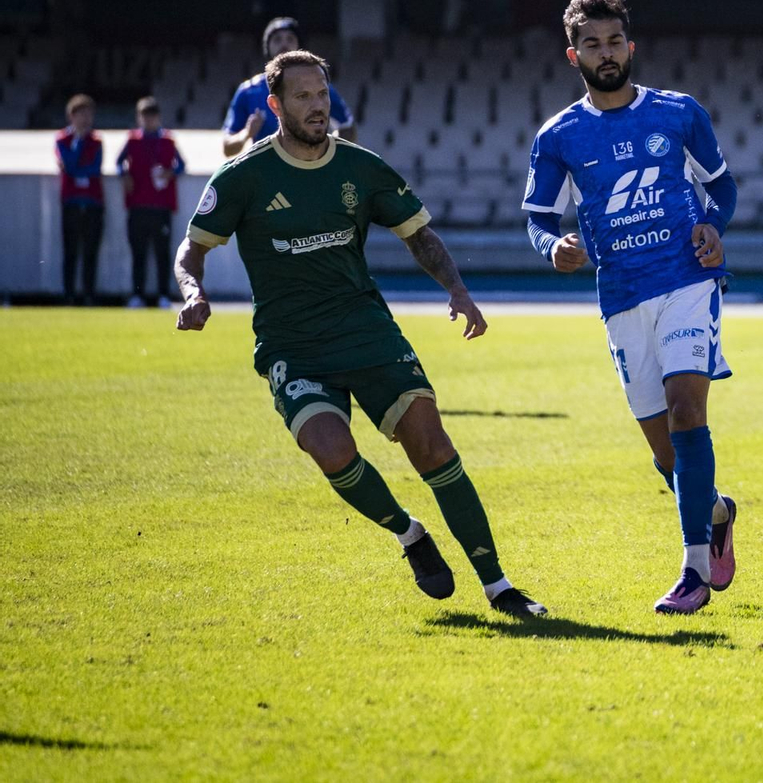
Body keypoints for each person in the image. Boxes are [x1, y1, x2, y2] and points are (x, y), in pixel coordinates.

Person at [174, 50, 545, 617]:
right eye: (302, 96)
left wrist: (459, 292)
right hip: (292, 346)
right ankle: (408, 533)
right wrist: (192, 292)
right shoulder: (243, 177)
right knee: (331, 450)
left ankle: (500, 587)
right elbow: (191, 250)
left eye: (322, 94)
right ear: (275, 105)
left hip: (365, 330)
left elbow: (419, 235)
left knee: (433, 446)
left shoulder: (361, 168)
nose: (317, 105)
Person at [522, 0, 740, 616]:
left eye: (615, 40)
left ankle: (693, 569)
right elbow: (538, 215)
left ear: (631, 45)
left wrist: (713, 226)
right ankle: (717, 511)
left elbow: (722, 189)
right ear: (574, 55)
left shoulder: (678, 114)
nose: (606, 52)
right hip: (620, 296)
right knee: (663, 452)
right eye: (592, 43)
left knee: (684, 409)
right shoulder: (559, 135)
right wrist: (550, 246)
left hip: (686, 282)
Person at [223, 18, 356, 158]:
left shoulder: (318, 86)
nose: (284, 44)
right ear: (267, 46)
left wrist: (325, 155)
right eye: (277, 39)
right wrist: (247, 133)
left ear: (299, 46)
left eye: (290, 39)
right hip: (268, 173)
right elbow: (227, 148)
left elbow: (348, 128)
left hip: (307, 170)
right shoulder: (248, 91)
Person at [117, 96, 186, 308]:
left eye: (152, 116)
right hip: (138, 203)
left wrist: (169, 173)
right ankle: (137, 295)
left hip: (160, 205)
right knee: (139, 252)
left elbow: (181, 166)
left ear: (158, 117)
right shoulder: (132, 140)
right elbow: (119, 163)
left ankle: (163, 294)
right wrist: (124, 175)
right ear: (139, 118)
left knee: (162, 253)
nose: (148, 121)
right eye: (145, 117)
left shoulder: (167, 140)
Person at [57, 94, 105, 306]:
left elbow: (94, 169)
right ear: (71, 116)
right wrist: (77, 143)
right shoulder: (63, 140)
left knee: (90, 251)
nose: (86, 119)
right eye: (81, 114)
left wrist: (76, 169)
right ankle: (69, 295)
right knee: (71, 250)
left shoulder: (96, 141)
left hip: (93, 201)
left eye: (89, 114)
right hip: (71, 201)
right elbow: (69, 164)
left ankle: (88, 295)